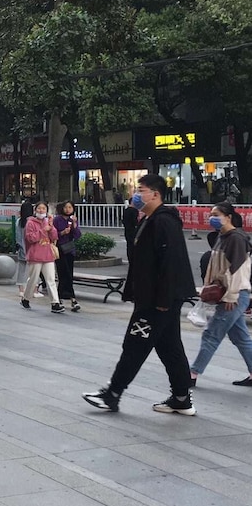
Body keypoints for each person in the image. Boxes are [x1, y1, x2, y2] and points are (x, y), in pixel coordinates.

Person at [83, 174, 197, 415]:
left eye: (141, 189)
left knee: (135, 344)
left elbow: (170, 263)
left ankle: (112, 394)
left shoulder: (163, 221)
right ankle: (181, 397)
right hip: (156, 297)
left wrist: (164, 300)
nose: (136, 193)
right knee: (170, 347)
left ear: (155, 194)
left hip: (158, 300)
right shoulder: (151, 219)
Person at [190, 203, 252, 387]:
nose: (212, 218)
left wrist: (231, 296)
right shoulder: (222, 237)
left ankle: (192, 374)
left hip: (233, 296)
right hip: (227, 294)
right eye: (211, 214)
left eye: (216, 214)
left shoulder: (236, 238)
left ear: (229, 217)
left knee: (211, 334)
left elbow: (240, 270)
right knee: (240, 337)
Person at [21, 201, 64, 313]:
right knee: (33, 279)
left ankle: (55, 303)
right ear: (35, 210)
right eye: (39, 208)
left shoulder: (47, 222)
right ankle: (26, 298)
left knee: (51, 279)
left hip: (47, 255)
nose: (41, 211)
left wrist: (51, 227)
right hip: (35, 255)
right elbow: (30, 238)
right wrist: (42, 231)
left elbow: (54, 237)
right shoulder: (30, 223)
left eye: (43, 209)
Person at [53, 200, 82, 312]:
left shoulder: (72, 220)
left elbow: (77, 235)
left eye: (70, 207)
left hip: (69, 249)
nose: (68, 209)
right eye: (66, 207)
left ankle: (63, 298)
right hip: (60, 249)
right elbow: (53, 235)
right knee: (63, 274)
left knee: (69, 273)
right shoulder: (57, 220)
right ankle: (71, 299)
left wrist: (75, 225)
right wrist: (62, 233)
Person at [122, 195, 140, 263]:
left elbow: (124, 221)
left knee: (129, 246)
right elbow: (135, 222)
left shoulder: (126, 210)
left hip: (127, 230)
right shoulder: (134, 211)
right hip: (133, 231)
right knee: (134, 246)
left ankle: (130, 259)